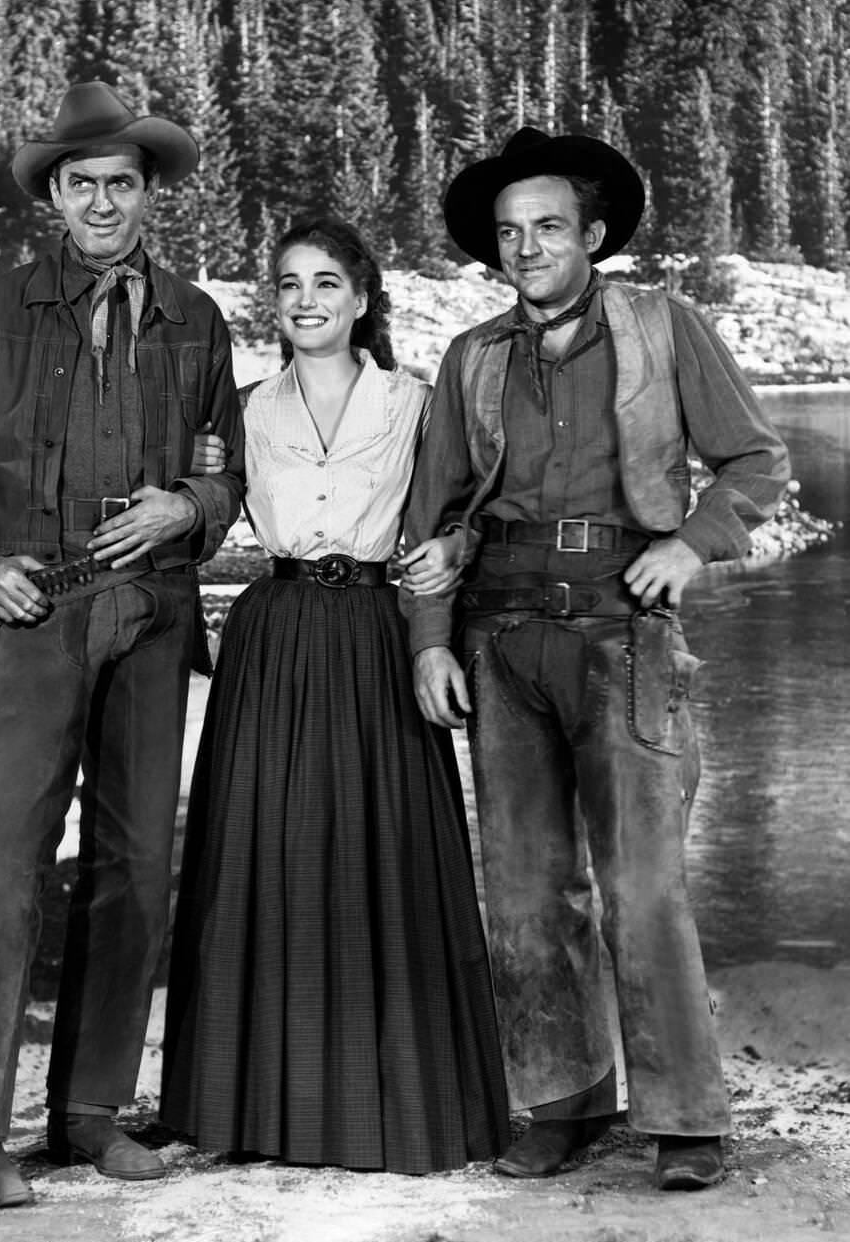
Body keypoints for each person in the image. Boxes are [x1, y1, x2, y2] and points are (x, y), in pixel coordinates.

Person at [400, 127, 791, 1190]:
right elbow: (431, 514)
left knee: (643, 883)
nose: (525, 247)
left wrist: (690, 541)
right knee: (523, 888)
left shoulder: (663, 329)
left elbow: (754, 460)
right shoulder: (472, 357)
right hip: (501, 636)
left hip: (626, 631)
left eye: (547, 228)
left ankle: (684, 1120)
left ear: (593, 234)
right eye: (507, 233)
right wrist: (431, 640)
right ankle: (563, 1102)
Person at [0, 81, 245, 1208]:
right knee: (4, 870)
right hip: (34, 615)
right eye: (81, 184)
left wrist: (190, 506)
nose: (102, 202)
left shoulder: (195, 318)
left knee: (136, 867)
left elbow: (224, 463)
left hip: (149, 615)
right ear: (55, 196)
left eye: (121, 184)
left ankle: (89, 1111)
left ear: (149, 196)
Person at [158, 216, 511, 1174]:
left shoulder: (416, 403)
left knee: (380, 847)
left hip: (373, 632)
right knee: (262, 846)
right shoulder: (242, 409)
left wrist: (461, 548)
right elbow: (206, 504)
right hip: (272, 632)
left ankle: (392, 1101)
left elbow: (467, 513)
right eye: (288, 284)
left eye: (326, 283)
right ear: (272, 303)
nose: (306, 300)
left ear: (362, 299)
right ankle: (253, 1104)